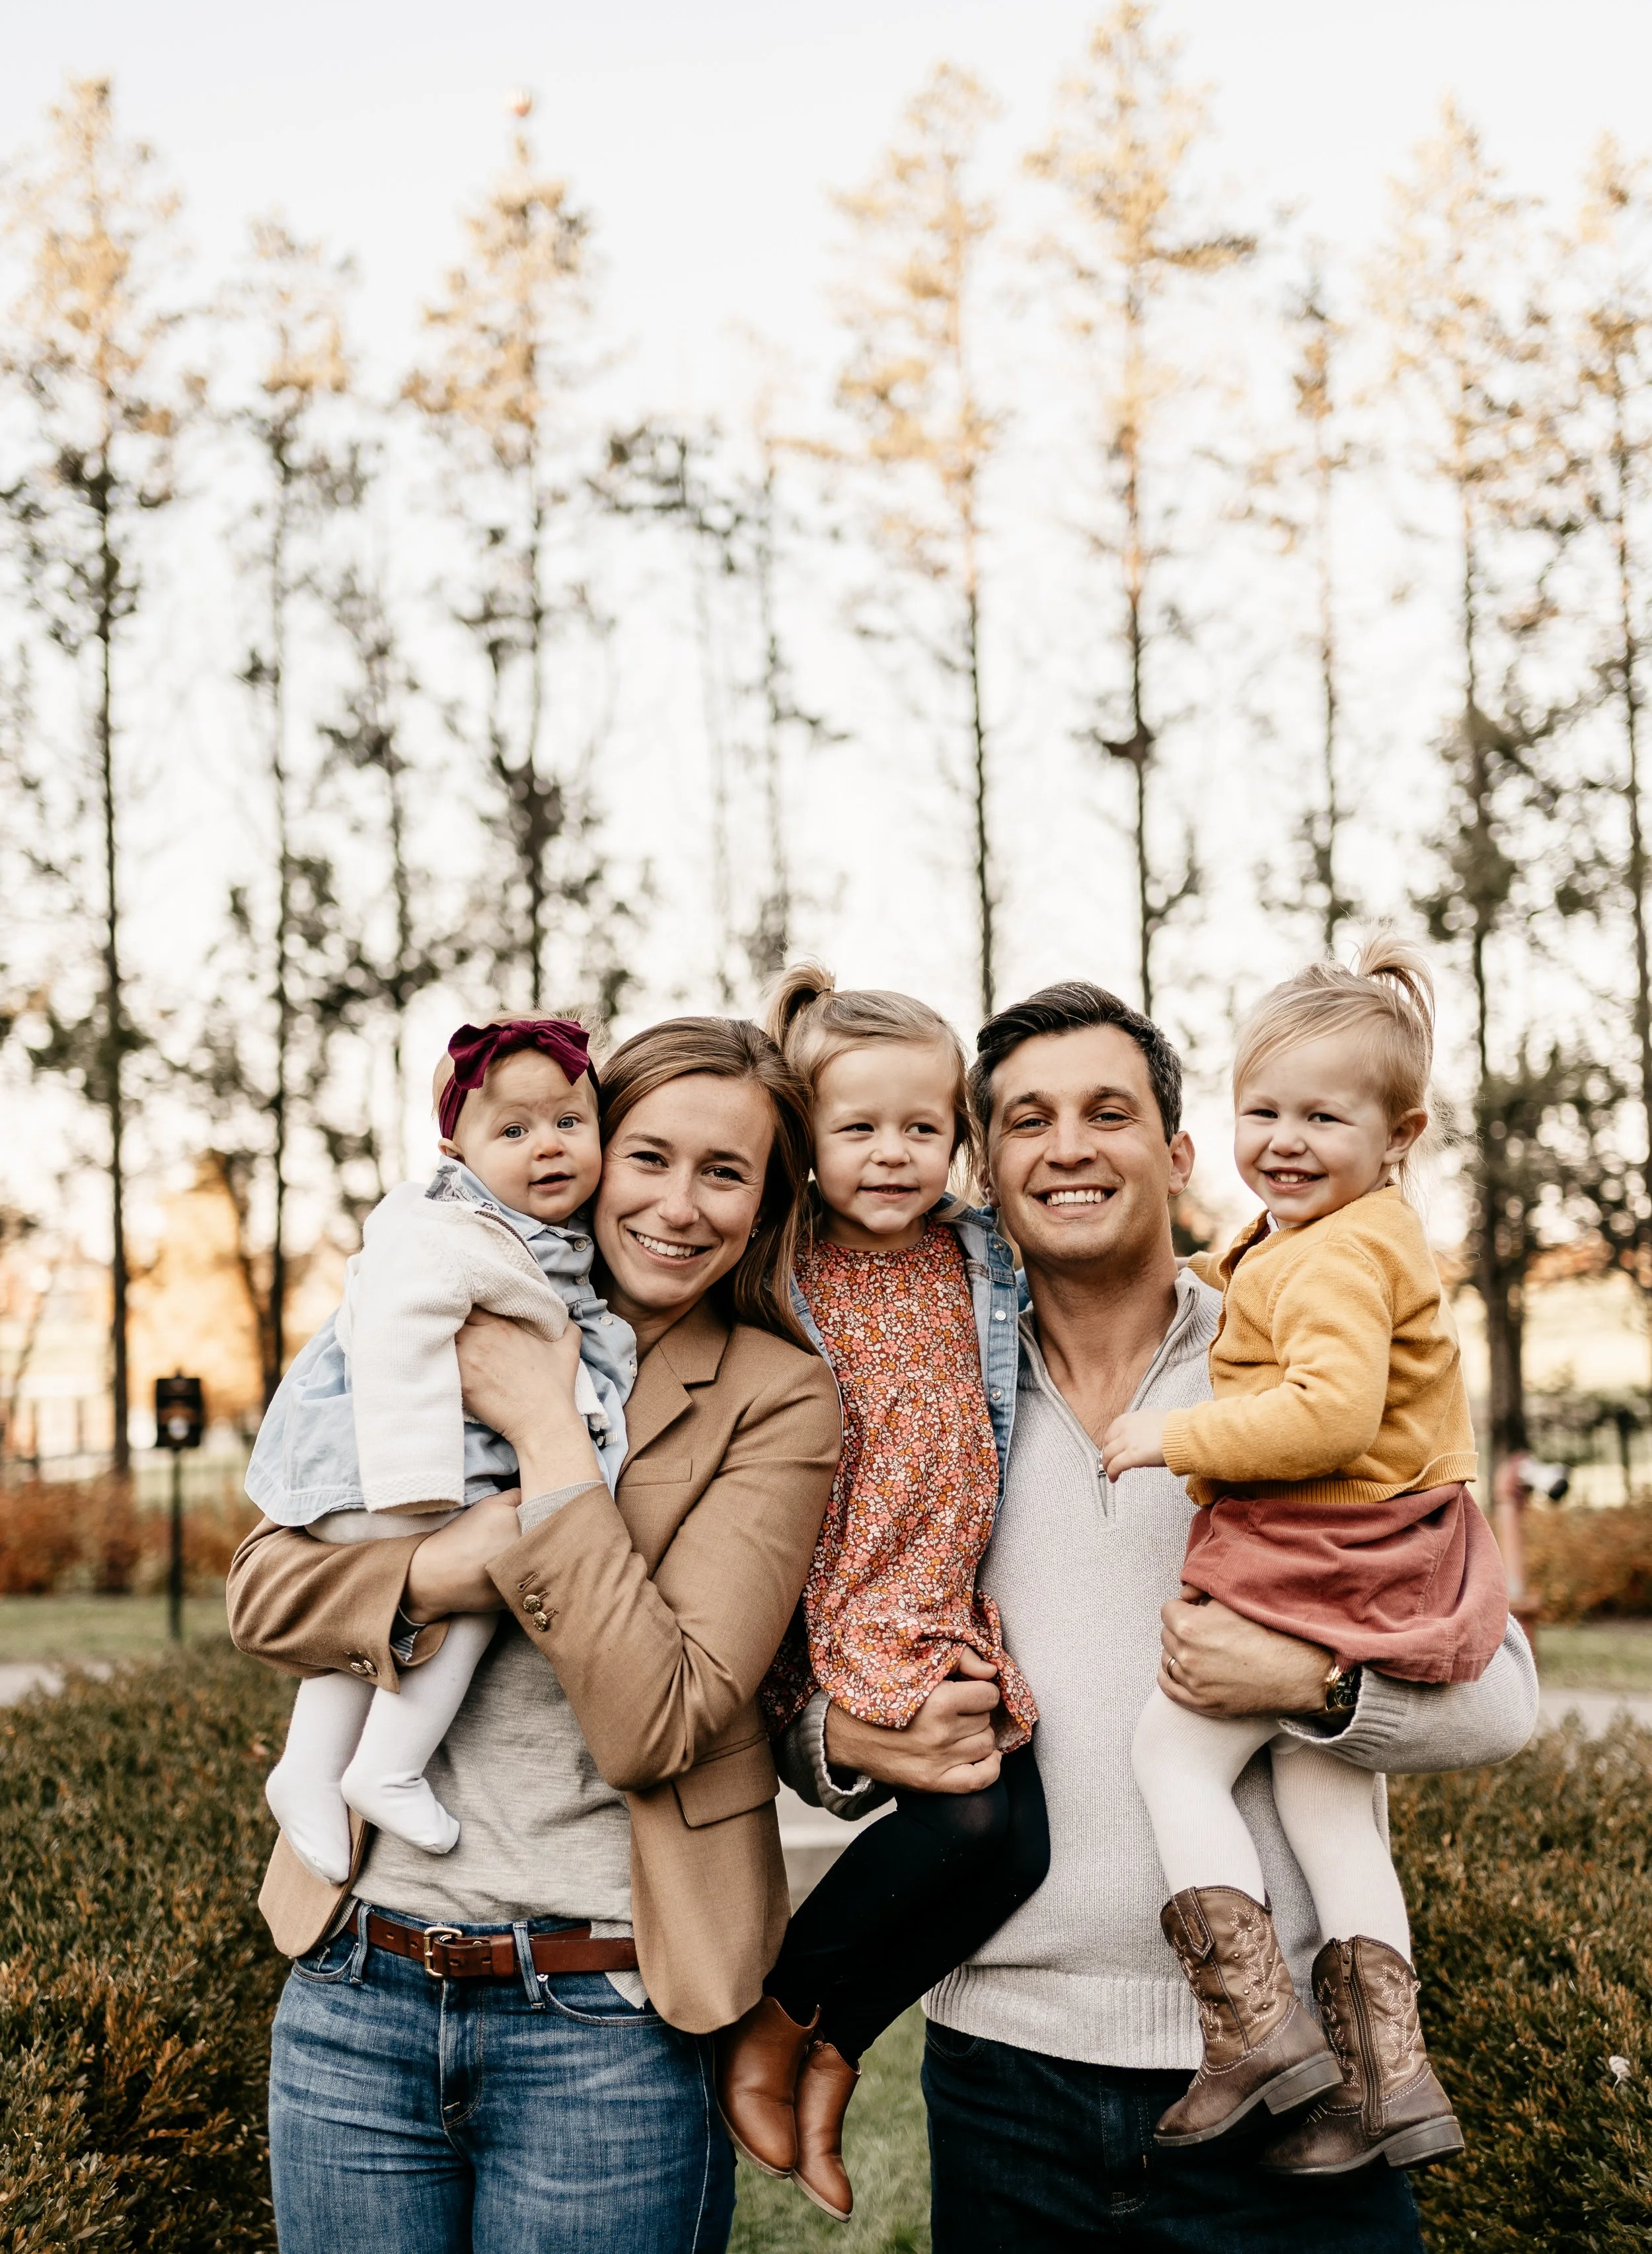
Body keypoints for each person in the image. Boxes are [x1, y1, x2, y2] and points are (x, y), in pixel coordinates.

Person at [782, 979, 1538, 2253]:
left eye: (1108, 1111)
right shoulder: (926, 1383)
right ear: (985, 1161)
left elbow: (1504, 1697)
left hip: (1292, 2102)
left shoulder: (1300, 1357)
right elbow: (802, 1664)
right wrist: (841, 1744)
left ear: (1180, 1152)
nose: (1067, 1146)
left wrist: (1314, 1682)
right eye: (1026, 1120)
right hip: (1004, 2082)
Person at [227, 1018, 842, 2254]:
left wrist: (550, 1432)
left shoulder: (779, 1398)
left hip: (603, 2018)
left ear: (769, 1200)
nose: (678, 1203)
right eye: (650, 1155)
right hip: (356, 1981)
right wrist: (433, 1568)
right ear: (594, 1150)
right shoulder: (447, 1288)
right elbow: (264, 1589)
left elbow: (659, 1721)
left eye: (726, 1172)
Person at [1107, 939, 1505, 2171]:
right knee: (1332, 1801)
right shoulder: (1346, 1232)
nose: (1282, 1137)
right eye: (1260, 1109)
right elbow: (1271, 1283)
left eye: (1322, 1115)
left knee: (1172, 1747)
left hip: (1331, 1542)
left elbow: (1328, 1410)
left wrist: (1173, 1435)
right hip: (1390, 1551)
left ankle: (1254, 2027)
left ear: (1400, 1133)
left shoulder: (1336, 1250)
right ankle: (1394, 2077)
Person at [718, 965, 1049, 2223]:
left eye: (925, 1126)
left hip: (944, 1594)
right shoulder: (781, 1266)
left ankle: (835, 2039)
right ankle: (778, 2015)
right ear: (806, 1139)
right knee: (970, 1823)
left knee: (1020, 1842)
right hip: (850, 1597)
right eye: (858, 1128)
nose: (894, 1153)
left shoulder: (977, 1258)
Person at [247, 1014, 637, 1882]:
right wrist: (419, 1486)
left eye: (571, 1123)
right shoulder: (442, 1227)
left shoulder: (525, 1232)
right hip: (385, 1465)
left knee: (395, 1608)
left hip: (407, 1466)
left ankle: (309, 1768)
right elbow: (398, 1334)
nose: (549, 1146)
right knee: (478, 1586)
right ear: (456, 1149)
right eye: (514, 1129)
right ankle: (385, 1765)